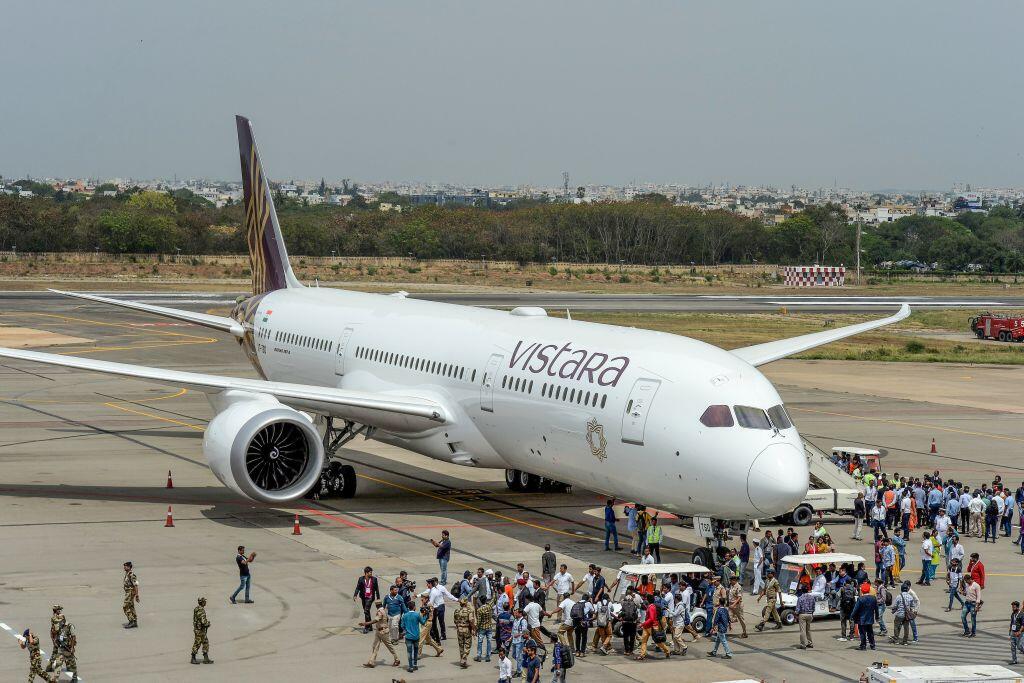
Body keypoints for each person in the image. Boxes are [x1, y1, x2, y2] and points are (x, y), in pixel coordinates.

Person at [362, 599, 401, 668]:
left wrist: (366, 623)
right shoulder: (383, 610)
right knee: (375, 646)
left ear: (377, 605)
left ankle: (397, 659)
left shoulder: (380, 611)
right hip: (379, 631)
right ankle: (371, 662)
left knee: (389, 646)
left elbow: (376, 620)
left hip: (383, 632)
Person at [636, 593, 671, 660]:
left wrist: (642, 624)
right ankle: (642, 655)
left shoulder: (651, 607)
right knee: (644, 641)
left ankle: (667, 651)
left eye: (646, 599)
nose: (644, 600)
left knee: (658, 642)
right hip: (647, 627)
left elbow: (651, 619)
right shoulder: (650, 606)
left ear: (648, 600)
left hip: (652, 627)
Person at [423, 576, 457, 642]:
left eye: (428, 584)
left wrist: (457, 599)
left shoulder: (439, 589)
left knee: (440, 622)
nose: (427, 585)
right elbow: (424, 593)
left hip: (440, 607)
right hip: (435, 608)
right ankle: (435, 637)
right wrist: (417, 596)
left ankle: (441, 636)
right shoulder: (431, 590)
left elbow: (449, 595)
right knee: (434, 623)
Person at [401, 603, 432, 672]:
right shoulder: (417, 615)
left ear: (408, 607)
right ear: (414, 607)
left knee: (409, 652)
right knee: (415, 651)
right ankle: (415, 665)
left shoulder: (404, 615)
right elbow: (423, 623)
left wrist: (406, 629)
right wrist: (426, 616)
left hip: (408, 636)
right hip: (416, 636)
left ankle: (410, 666)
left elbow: (402, 626)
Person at [849, 584, 877, 650]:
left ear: (862, 591)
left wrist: (851, 616)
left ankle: (863, 645)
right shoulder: (873, 598)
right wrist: (877, 616)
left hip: (861, 619)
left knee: (862, 633)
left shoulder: (860, 599)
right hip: (870, 618)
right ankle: (872, 645)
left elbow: (855, 609)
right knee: (870, 632)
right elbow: (876, 608)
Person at [353, 566, 380, 633]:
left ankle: (367, 627)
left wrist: (378, 598)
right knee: (367, 612)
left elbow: (377, 589)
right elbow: (358, 587)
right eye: (370, 572)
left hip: (370, 597)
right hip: (363, 597)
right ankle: (370, 626)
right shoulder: (361, 579)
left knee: (366, 610)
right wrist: (355, 595)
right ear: (366, 573)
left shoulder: (374, 579)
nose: (371, 573)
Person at [452, 596, 475, 668]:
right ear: (466, 603)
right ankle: (464, 657)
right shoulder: (469, 611)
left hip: (459, 629)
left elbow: (455, 621)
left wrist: (459, 625)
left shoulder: (456, 611)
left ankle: (462, 660)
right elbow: (471, 620)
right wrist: (473, 628)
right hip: (467, 629)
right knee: (468, 645)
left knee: (461, 645)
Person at [190, 596, 213, 665]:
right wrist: (207, 623)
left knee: (205, 642)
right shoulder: (201, 610)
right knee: (197, 643)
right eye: (204, 601)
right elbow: (203, 621)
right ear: (202, 602)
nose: (205, 602)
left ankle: (206, 658)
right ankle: (193, 658)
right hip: (200, 630)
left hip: (199, 629)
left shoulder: (196, 608)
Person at [475, 594, 496, 662]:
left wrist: (476, 629)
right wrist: (494, 593)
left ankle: (479, 656)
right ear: (486, 600)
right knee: (489, 642)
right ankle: (488, 656)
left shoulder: (479, 610)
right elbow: (493, 600)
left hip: (482, 628)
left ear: (480, 601)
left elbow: (478, 621)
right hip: (489, 627)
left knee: (480, 642)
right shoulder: (489, 606)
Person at [44, 605, 64, 674]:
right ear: (56, 610)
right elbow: (57, 628)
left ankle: (49, 667)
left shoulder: (57, 617)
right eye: (59, 610)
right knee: (60, 652)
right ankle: (52, 668)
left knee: (55, 652)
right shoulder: (55, 618)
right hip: (57, 637)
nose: (60, 611)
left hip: (57, 637)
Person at [122, 561, 140, 628]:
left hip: (130, 593)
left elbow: (136, 585)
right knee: (131, 606)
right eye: (124, 566)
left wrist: (137, 595)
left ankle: (131, 621)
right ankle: (134, 622)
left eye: (126, 566)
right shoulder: (127, 574)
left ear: (129, 567)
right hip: (128, 592)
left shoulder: (131, 575)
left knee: (125, 607)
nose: (124, 567)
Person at [1010, 601, 1024, 666]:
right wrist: (1010, 631)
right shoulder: (1013, 614)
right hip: (1013, 632)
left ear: (1017, 607)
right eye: (1012, 607)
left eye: (1014, 607)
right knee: (1013, 647)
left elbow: (1023, 624)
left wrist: (1020, 632)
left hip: (1019, 633)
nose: (1012, 608)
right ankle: (1014, 660)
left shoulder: (1022, 614)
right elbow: (1012, 622)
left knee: (1019, 646)